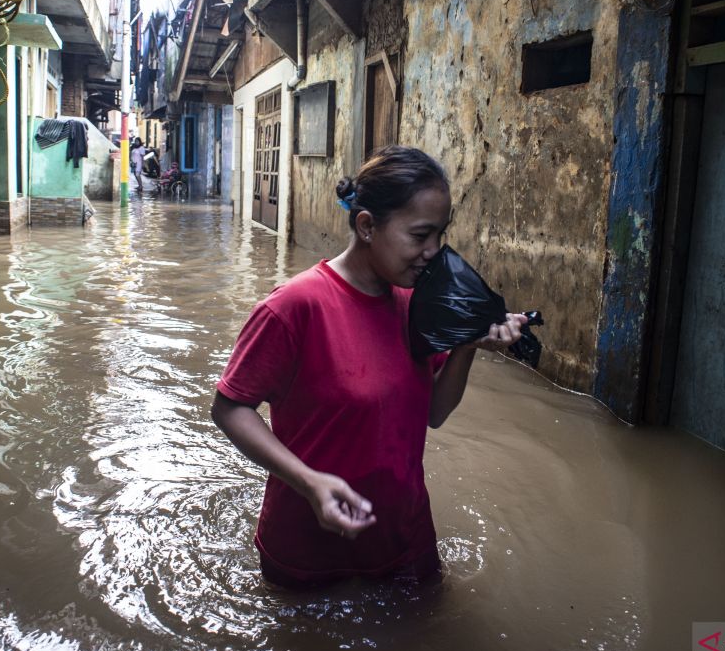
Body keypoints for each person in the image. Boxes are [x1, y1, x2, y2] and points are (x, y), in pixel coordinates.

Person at [211, 146, 526, 589]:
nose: (433, 251)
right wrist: (309, 482)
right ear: (366, 227)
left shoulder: (416, 304)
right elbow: (229, 408)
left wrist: (466, 344)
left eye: (440, 235)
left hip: (404, 539)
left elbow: (433, 413)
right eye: (419, 236)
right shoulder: (294, 307)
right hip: (307, 547)